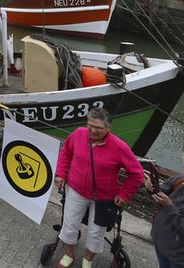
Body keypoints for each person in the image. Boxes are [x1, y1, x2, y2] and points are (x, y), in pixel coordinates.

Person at [53, 108, 144, 268]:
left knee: (96, 232)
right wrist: (60, 173)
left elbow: (137, 174)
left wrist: (124, 194)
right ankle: (68, 255)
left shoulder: (119, 147)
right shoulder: (78, 134)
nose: (93, 131)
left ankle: (87, 261)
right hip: (75, 190)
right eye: (90, 126)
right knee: (69, 224)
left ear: (109, 128)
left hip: (103, 197)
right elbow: (66, 152)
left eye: (99, 128)